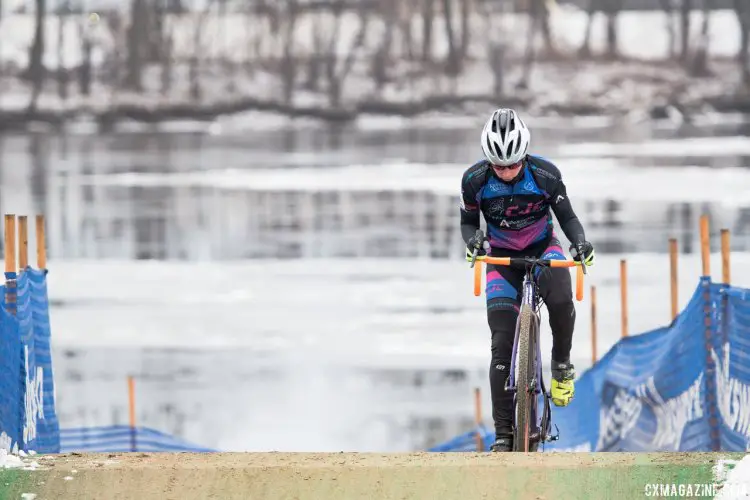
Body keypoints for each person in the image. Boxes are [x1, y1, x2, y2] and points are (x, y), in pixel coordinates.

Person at [459, 108, 595, 452]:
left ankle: (561, 365)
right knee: (501, 344)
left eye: (512, 164)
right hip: (502, 258)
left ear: (525, 154)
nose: (505, 172)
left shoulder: (545, 175)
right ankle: (504, 434)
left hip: (542, 248)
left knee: (562, 299)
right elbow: (468, 223)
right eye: (498, 166)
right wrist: (473, 240)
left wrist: (579, 243)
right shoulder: (474, 180)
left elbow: (568, 217)